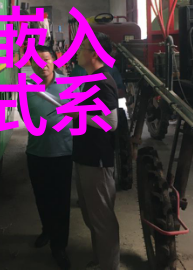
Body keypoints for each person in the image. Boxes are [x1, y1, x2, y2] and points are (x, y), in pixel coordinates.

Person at [21, 45, 73, 270]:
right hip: (36, 152)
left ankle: (59, 246)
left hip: (62, 152)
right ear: (31, 64)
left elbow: (78, 114)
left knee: (61, 201)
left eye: (47, 59)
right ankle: (47, 230)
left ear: (54, 61)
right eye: (37, 61)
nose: (43, 65)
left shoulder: (68, 85)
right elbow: (24, 114)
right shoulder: (26, 87)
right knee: (42, 197)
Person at [71, 32, 120, 270]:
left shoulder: (102, 82)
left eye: (82, 48)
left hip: (97, 162)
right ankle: (101, 259)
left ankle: (109, 265)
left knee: (102, 219)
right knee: (91, 216)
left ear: (94, 54)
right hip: (85, 156)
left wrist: (77, 114)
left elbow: (111, 122)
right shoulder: (90, 79)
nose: (78, 52)